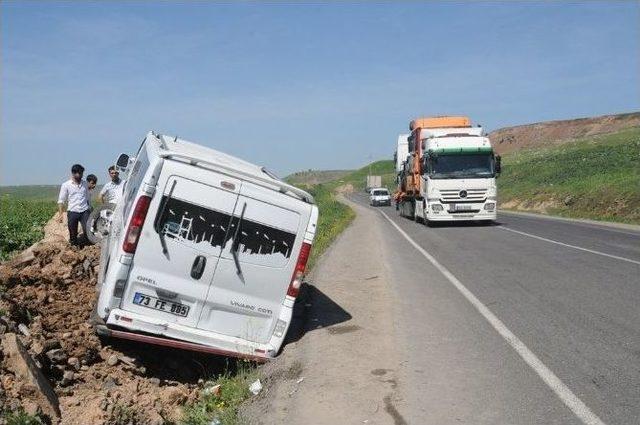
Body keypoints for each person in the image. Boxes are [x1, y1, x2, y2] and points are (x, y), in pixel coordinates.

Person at [57, 164, 91, 246]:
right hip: (73, 211)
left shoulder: (85, 184)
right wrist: (60, 214)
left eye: (81, 173)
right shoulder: (66, 185)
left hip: (84, 211)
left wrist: (90, 208)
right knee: (73, 232)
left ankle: (88, 248)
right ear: (73, 173)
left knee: (88, 230)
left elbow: (87, 198)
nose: (80, 175)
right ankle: (74, 248)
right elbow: (61, 200)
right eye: (79, 173)